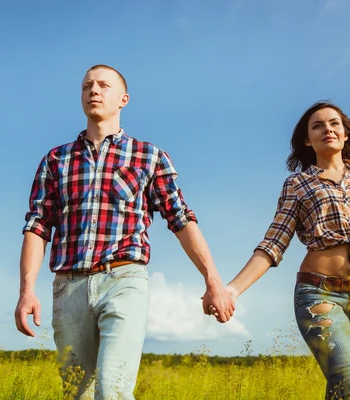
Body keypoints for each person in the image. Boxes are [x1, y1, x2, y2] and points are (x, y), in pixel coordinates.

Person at [14, 64, 234, 399]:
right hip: (68, 286)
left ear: (123, 99)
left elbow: (181, 219)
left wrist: (213, 280)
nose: (94, 91)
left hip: (123, 280)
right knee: (78, 395)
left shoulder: (150, 156)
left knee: (111, 390)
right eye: (87, 86)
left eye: (103, 85)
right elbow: (37, 225)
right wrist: (27, 291)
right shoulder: (56, 160)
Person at [217, 101, 350, 399]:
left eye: (334, 123)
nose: (327, 129)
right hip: (319, 295)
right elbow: (274, 243)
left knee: (340, 392)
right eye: (317, 125)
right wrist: (231, 290)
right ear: (308, 139)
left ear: (346, 133)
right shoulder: (297, 184)